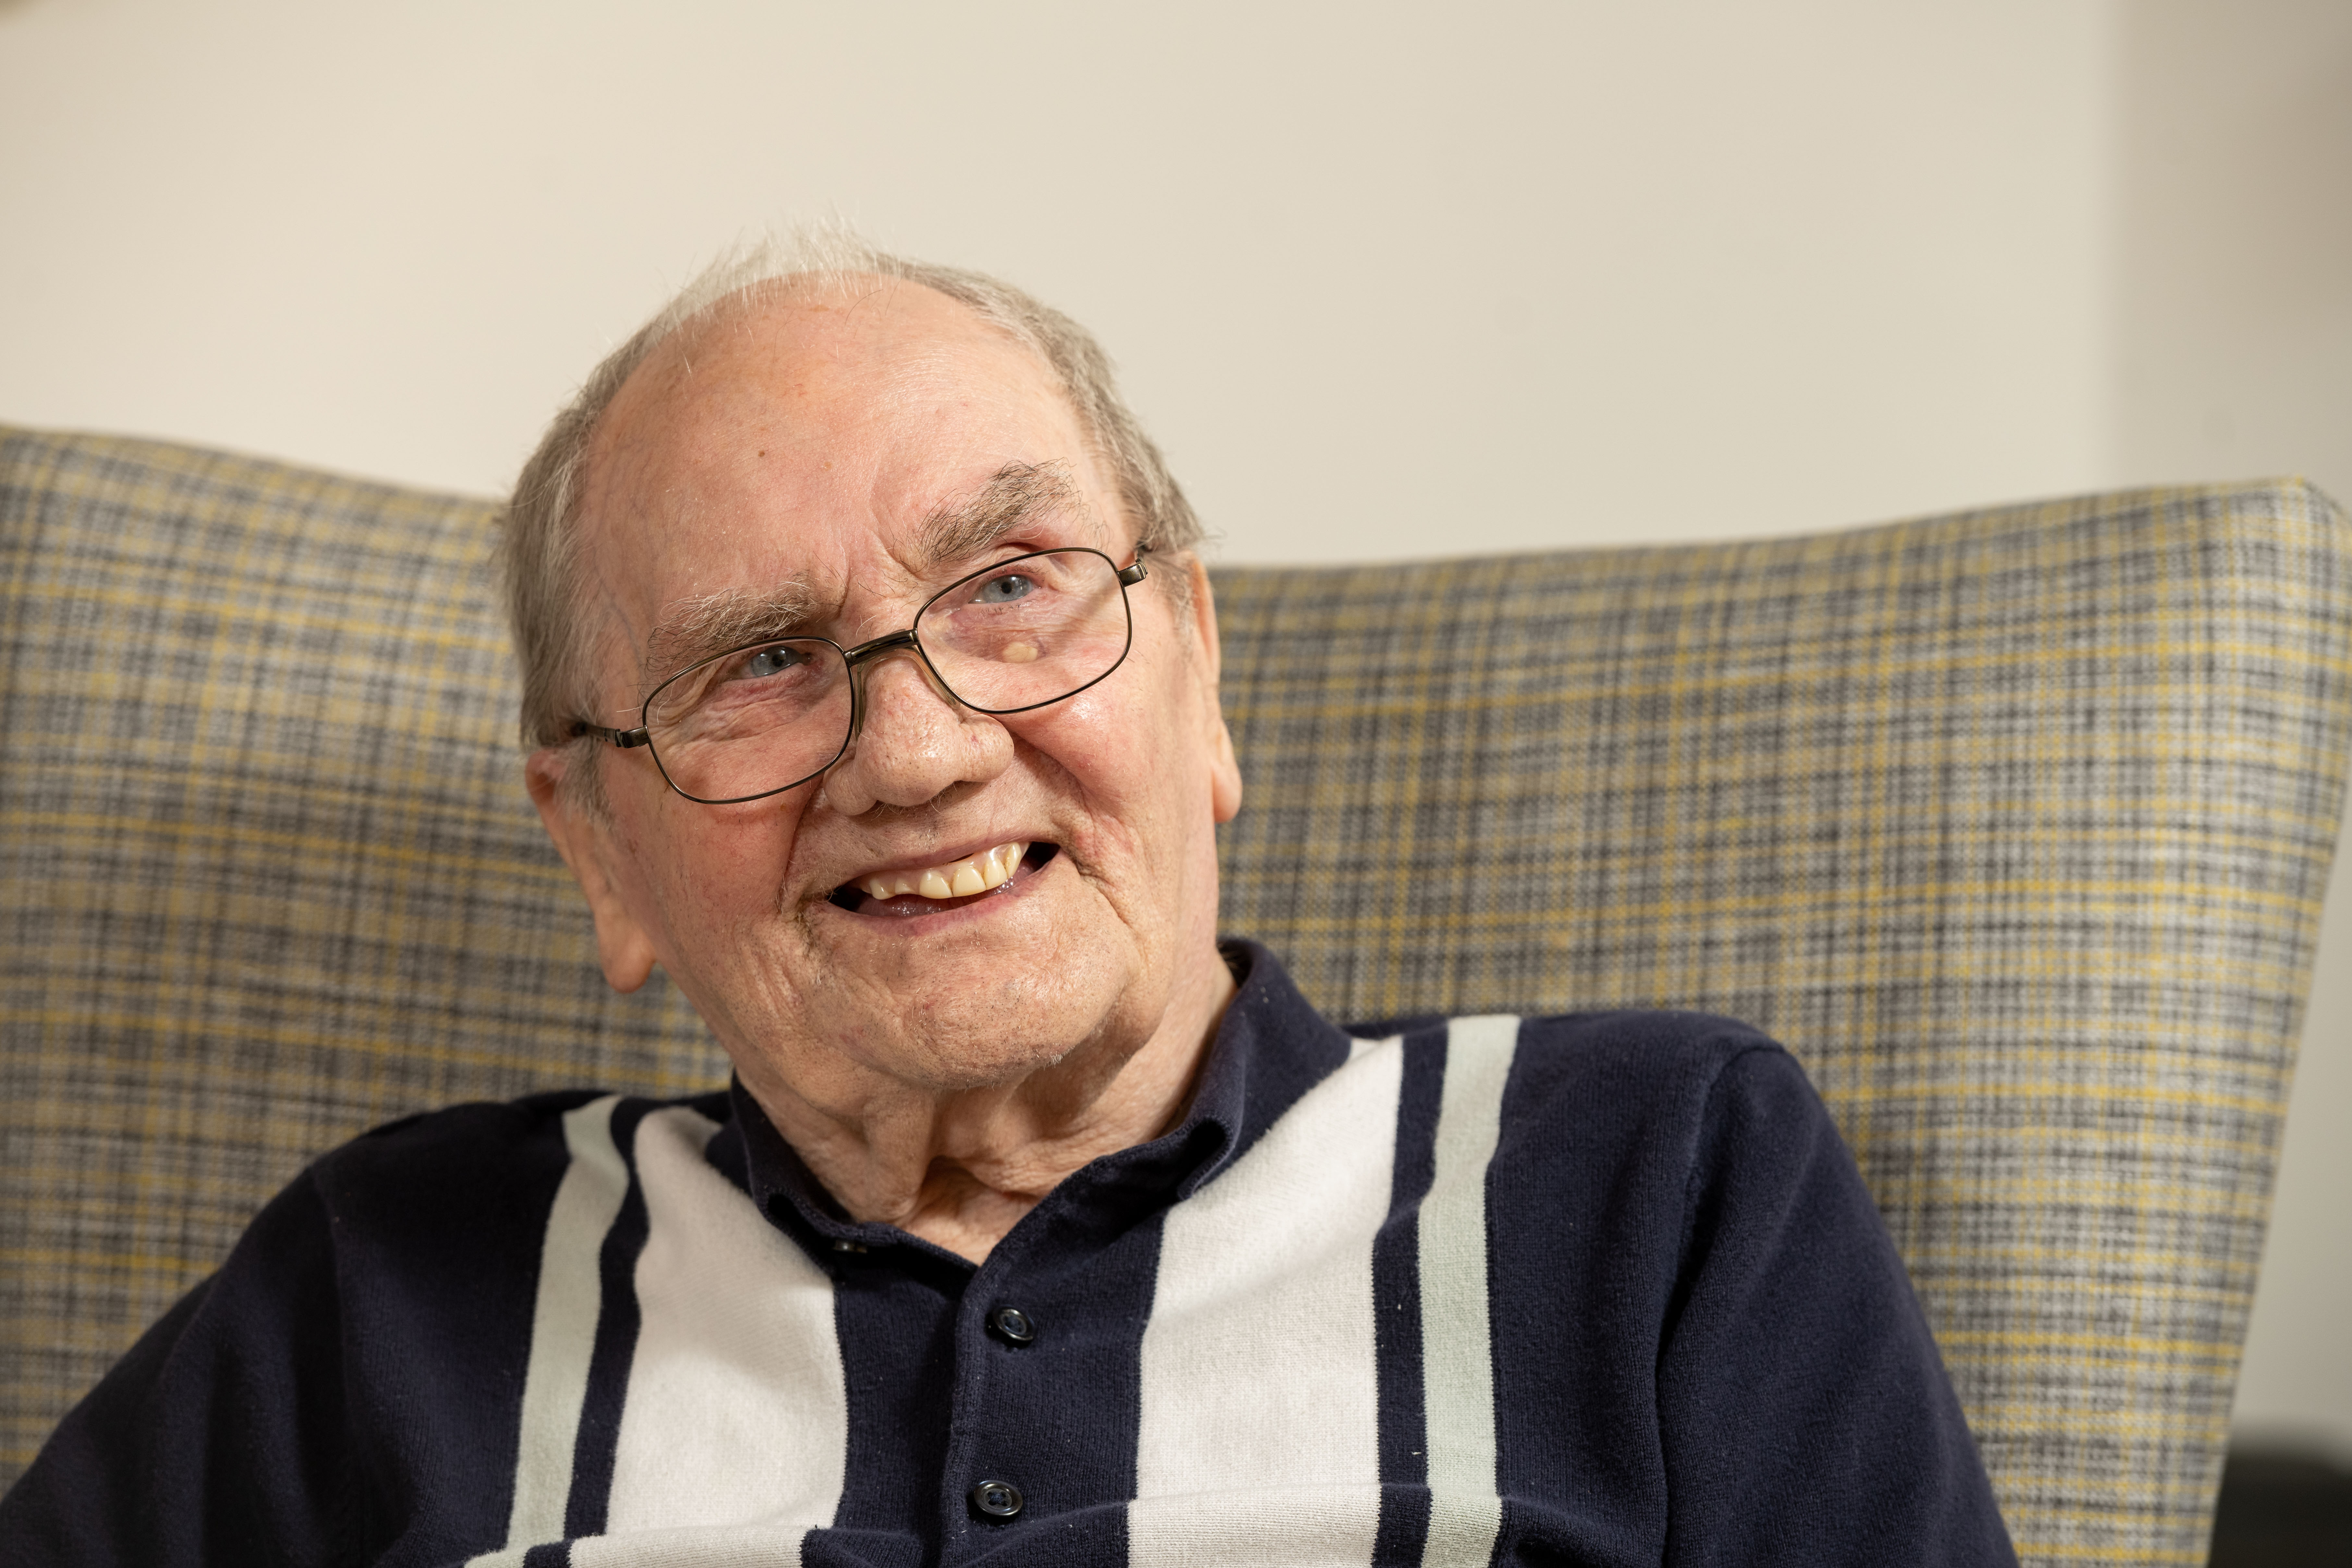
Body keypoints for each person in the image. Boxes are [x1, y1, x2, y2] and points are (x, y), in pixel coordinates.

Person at [0, 237, 2016, 1566]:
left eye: (1007, 585)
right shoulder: (389, 1280)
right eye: (757, 660)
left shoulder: (1652, 1178)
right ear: (601, 845)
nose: (921, 749)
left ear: (1197, 672)